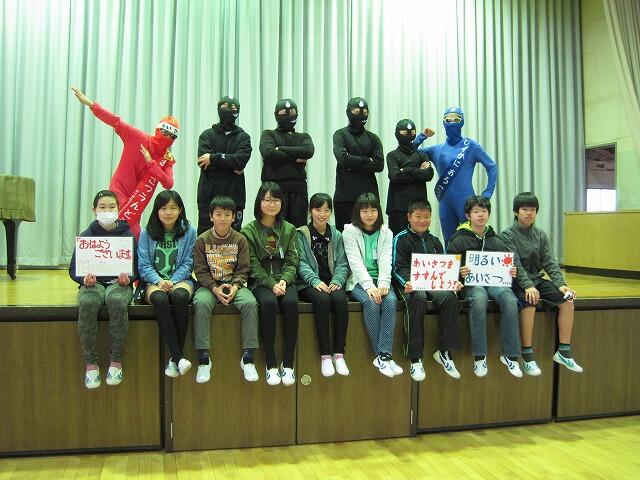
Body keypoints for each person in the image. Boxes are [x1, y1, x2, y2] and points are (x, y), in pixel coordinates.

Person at [71, 86, 178, 239]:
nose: (168, 137)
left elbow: (168, 183)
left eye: (172, 136)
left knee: (132, 233)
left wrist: (151, 164)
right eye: (165, 132)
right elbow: (115, 121)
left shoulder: (167, 158)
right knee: (125, 229)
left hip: (138, 198)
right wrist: (90, 104)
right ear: (158, 130)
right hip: (119, 189)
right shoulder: (137, 137)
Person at [501, 192, 583, 375]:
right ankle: (527, 354)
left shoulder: (540, 235)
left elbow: (549, 262)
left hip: (537, 278)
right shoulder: (507, 235)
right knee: (530, 301)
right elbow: (515, 264)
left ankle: (564, 352)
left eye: (532, 209)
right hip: (517, 281)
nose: (529, 213)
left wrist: (561, 284)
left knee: (568, 299)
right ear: (516, 212)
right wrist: (528, 285)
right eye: (524, 209)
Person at [447, 196, 522, 378]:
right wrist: (460, 272)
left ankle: (510, 355)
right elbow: (449, 267)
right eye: (476, 211)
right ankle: (480, 356)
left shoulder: (496, 239)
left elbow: (508, 264)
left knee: (510, 299)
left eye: (484, 211)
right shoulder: (457, 239)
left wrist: (512, 271)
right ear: (468, 215)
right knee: (479, 297)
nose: (480, 215)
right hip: (470, 284)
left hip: (494, 283)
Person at [68, 190, 137, 389]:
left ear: (118, 209)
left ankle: (116, 362)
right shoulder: (86, 236)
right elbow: (73, 269)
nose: (107, 211)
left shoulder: (127, 235)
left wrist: (128, 278)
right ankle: (91, 364)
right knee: (87, 301)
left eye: (111, 207)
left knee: (117, 301)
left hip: (119, 284)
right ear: (94, 210)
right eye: (102, 207)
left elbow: (137, 267)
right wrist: (84, 279)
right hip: (93, 284)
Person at [392, 199, 463, 381]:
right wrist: (407, 281)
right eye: (418, 216)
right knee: (418, 297)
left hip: (432, 284)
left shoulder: (435, 241)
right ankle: (415, 358)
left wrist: (452, 282)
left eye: (426, 217)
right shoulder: (401, 238)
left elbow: (444, 267)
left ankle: (445, 352)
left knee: (450, 297)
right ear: (409, 217)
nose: (423, 221)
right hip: (409, 285)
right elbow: (398, 267)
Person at [192, 196, 260, 383]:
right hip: (210, 286)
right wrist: (214, 289)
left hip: (235, 285)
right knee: (201, 303)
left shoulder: (240, 240)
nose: (223, 218)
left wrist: (236, 286)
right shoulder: (202, 240)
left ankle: (248, 358)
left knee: (250, 303)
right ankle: (204, 359)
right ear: (211, 216)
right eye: (218, 214)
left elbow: (244, 269)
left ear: (234, 217)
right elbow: (200, 271)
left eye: (227, 214)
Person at [241, 182, 300, 386]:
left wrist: (284, 280)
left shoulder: (289, 229)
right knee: (268, 303)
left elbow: (292, 260)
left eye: (276, 200)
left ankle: (288, 363)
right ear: (259, 202)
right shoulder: (248, 230)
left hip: (285, 281)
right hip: (261, 283)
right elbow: (252, 265)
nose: (271, 204)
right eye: (267, 200)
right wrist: (270, 283)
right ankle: (271, 363)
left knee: (291, 303)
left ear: (282, 203)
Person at [413, 107, 497, 245]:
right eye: (448, 119)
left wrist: (487, 193)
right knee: (449, 242)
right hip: (445, 203)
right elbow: (411, 153)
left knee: (472, 240)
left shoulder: (471, 146)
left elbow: (492, 166)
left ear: (462, 122)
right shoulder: (436, 149)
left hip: (466, 202)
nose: (452, 122)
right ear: (443, 122)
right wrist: (421, 136)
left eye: (456, 119)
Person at [137, 190, 196, 378]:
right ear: (157, 211)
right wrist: (159, 281)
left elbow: (188, 262)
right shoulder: (146, 232)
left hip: (180, 279)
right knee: (160, 299)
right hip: (153, 281)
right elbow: (144, 265)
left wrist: (173, 280)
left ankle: (175, 359)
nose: (168, 212)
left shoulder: (189, 231)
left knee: (180, 297)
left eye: (173, 208)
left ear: (180, 210)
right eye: (163, 208)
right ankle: (178, 357)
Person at [342, 193, 401, 377]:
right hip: (359, 281)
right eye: (365, 211)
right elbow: (355, 262)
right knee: (372, 303)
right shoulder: (349, 231)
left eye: (373, 210)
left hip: (381, 280)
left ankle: (383, 356)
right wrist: (369, 287)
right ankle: (383, 356)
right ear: (358, 213)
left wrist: (383, 284)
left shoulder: (386, 231)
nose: (369, 215)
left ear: (379, 212)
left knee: (390, 301)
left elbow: (386, 259)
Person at [297, 193, 350, 377]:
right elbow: (300, 263)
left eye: (327, 210)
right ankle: (325, 355)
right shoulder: (301, 234)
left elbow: (343, 263)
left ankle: (339, 353)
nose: (322, 214)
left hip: (332, 282)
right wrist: (315, 281)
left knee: (340, 300)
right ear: (310, 211)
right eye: (318, 210)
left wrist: (337, 281)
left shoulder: (336, 234)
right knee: (323, 300)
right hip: (308, 284)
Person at [196, 95, 252, 234]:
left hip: (235, 195)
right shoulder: (206, 135)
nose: (228, 110)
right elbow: (203, 162)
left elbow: (240, 161)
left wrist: (213, 158)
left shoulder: (243, 137)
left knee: (234, 236)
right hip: (208, 195)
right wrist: (231, 163)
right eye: (224, 107)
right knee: (205, 236)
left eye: (233, 108)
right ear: (218, 109)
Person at [259, 99, 314, 227]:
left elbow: (308, 151)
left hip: (298, 190)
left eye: (293, 113)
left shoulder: (303, 137)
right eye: (284, 113)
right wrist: (295, 158)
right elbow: (268, 153)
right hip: (273, 189)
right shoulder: (268, 134)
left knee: (298, 229)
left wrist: (280, 149)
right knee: (272, 227)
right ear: (276, 115)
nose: (289, 115)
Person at [333, 97, 384, 231]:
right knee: (344, 237)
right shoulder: (340, 135)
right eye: (357, 112)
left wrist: (352, 163)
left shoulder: (373, 138)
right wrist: (367, 159)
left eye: (365, 112)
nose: (361, 115)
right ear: (348, 112)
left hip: (369, 198)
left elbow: (379, 165)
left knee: (371, 236)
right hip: (345, 197)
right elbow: (343, 160)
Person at [386, 119, 434, 236]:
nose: (408, 135)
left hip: (419, 208)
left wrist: (406, 170)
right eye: (405, 133)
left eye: (411, 133)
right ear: (397, 134)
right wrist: (419, 171)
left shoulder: (421, 155)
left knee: (419, 240)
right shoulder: (392, 155)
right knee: (397, 240)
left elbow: (428, 175)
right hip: (397, 208)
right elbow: (395, 176)